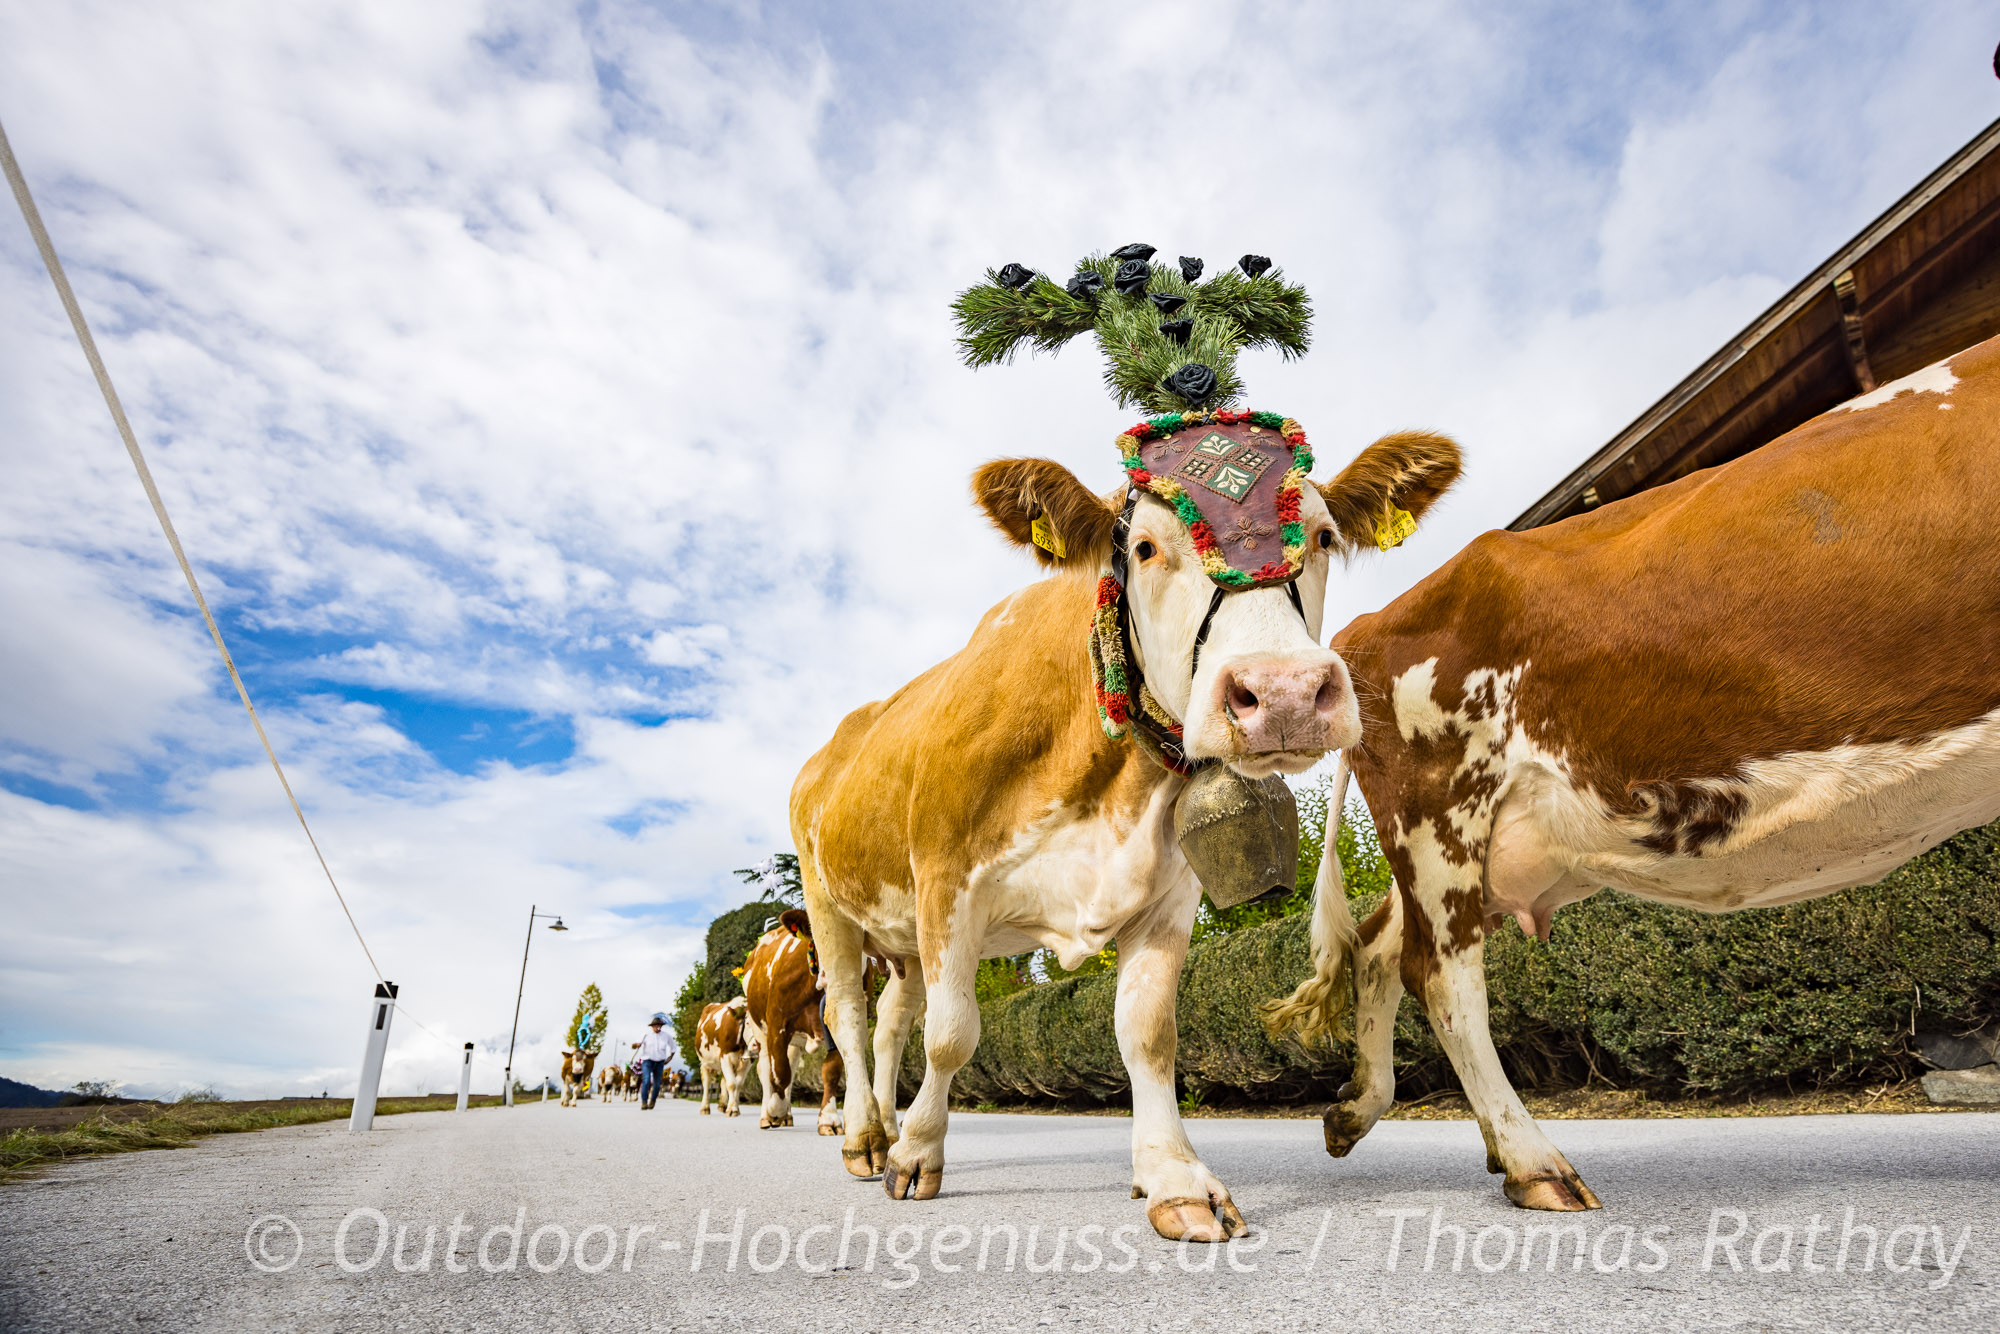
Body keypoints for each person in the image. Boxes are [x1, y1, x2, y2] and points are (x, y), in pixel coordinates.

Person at [637, 1013, 675, 1109]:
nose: (657, 1027)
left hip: (660, 1062)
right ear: (652, 1027)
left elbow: (673, 1048)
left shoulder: (666, 1036)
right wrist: (636, 1045)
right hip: (647, 1061)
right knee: (646, 1080)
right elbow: (635, 1045)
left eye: (659, 1025)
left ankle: (653, 1100)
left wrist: (669, 1058)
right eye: (655, 1026)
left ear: (661, 1026)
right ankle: (644, 1102)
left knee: (657, 1083)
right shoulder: (646, 1035)